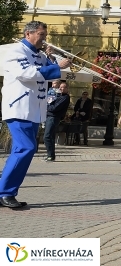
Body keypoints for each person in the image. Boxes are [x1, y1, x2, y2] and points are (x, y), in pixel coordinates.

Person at [0, 21, 70, 209]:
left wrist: (57, 61)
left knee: (23, 150)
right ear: (28, 33)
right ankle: (5, 192)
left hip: (34, 110)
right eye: (41, 34)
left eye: (45, 35)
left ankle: (6, 191)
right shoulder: (16, 51)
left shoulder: (39, 55)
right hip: (19, 108)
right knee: (26, 148)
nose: (44, 39)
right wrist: (57, 67)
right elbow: (27, 73)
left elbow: (50, 74)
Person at [44, 81, 71, 162]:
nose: (61, 89)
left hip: (54, 117)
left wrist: (47, 107)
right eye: (60, 87)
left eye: (63, 87)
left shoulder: (65, 97)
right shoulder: (59, 96)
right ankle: (51, 155)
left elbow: (55, 107)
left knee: (47, 136)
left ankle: (50, 155)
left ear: (67, 88)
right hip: (50, 116)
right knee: (51, 136)